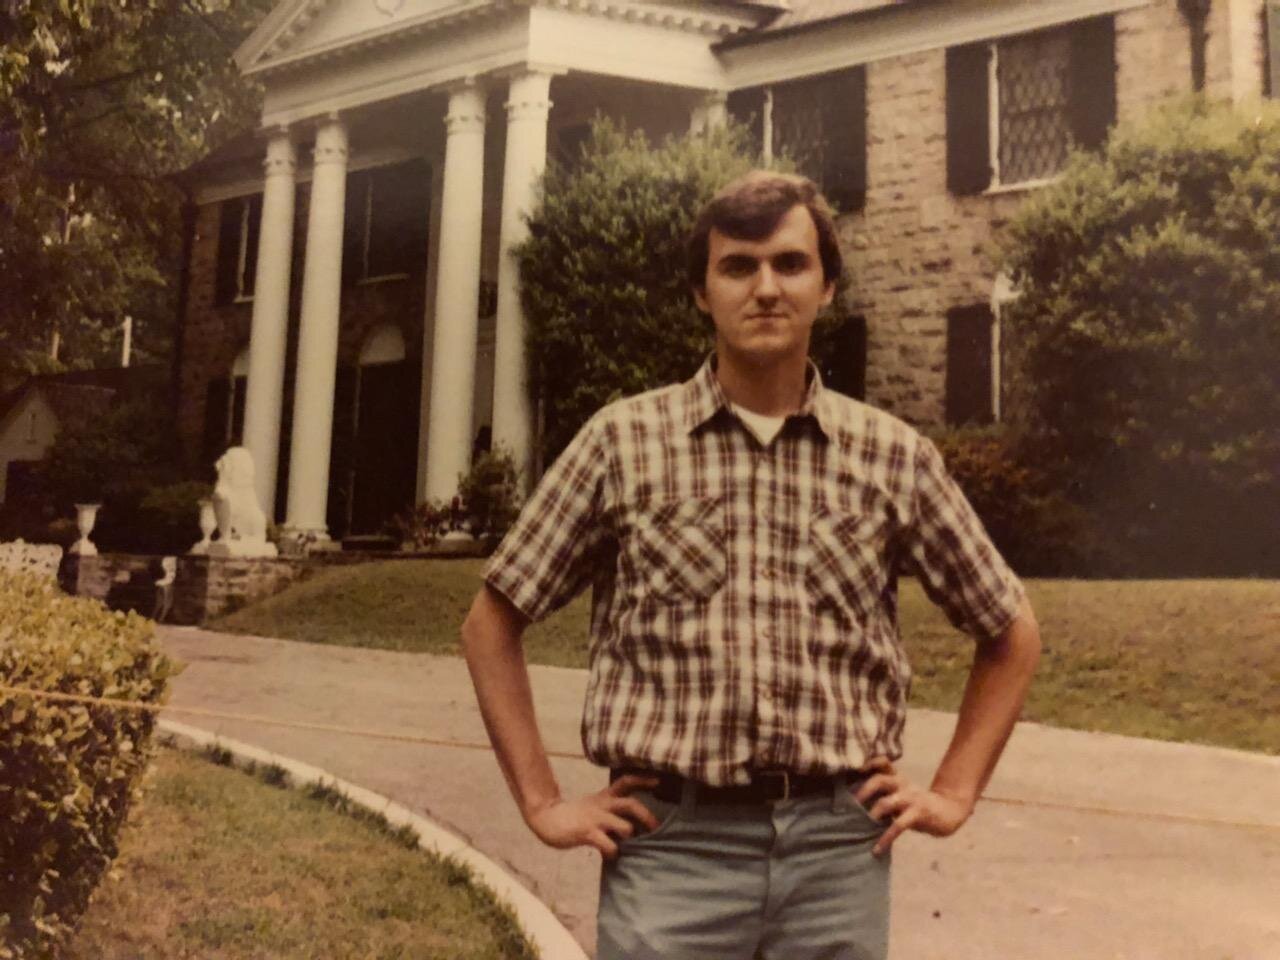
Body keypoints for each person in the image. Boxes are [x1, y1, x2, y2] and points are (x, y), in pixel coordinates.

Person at [461, 170, 1041, 960]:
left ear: (827, 285)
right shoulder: (623, 443)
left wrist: (953, 793)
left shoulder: (890, 456)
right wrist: (543, 802)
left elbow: (1010, 629)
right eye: (738, 266)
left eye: (789, 264)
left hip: (839, 853)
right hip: (672, 848)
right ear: (703, 291)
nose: (765, 288)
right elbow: (491, 621)